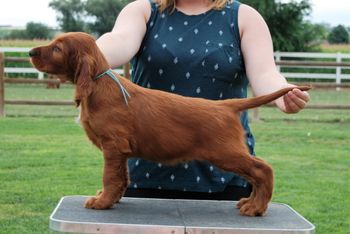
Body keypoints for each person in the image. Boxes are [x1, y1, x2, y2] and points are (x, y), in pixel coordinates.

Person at [96, 0, 310, 200]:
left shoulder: (245, 17)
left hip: (224, 177)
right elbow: (119, 41)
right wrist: (85, 54)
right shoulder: (142, 11)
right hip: (146, 173)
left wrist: (282, 91)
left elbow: (264, 73)